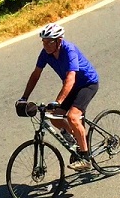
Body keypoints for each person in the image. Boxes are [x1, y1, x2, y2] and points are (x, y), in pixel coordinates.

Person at [20, 23, 99, 172]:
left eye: (49, 42)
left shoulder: (69, 50)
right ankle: (78, 138)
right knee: (54, 116)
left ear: (59, 40)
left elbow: (71, 78)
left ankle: (86, 158)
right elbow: (36, 74)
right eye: (43, 42)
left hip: (87, 84)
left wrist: (59, 101)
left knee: (73, 117)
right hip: (72, 86)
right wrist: (24, 98)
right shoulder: (45, 53)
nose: (46, 45)